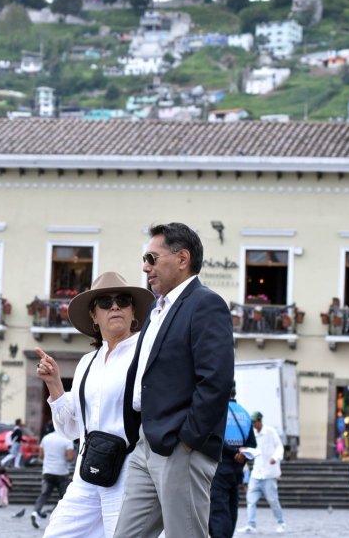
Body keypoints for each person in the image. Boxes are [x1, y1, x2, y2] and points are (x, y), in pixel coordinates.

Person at [117, 222, 235, 537]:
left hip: (181, 448)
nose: (145, 267)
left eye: (152, 258)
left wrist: (188, 440)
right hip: (147, 442)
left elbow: (216, 381)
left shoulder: (205, 304)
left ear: (182, 259)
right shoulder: (157, 311)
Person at [35, 271, 153, 537]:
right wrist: (54, 383)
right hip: (87, 474)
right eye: (105, 302)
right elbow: (71, 429)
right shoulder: (87, 362)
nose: (114, 306)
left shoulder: (146, 353)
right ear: (94, 315)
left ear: (133, 311)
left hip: (129, 476)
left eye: (123, 300)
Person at [210, 384, 255, 538]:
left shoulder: (218, 412)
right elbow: (252, 444)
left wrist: (233, 452)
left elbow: (215, 438)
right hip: (237, 468)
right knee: (231, 506)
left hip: (219, 466)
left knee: (218, 508)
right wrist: (241, 454)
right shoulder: (245, 413)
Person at [239, 411, 285, 534]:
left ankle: (281, 523)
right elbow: (254, 450)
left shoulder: (271, 432)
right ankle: (250, 524)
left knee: (273, 500)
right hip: (256, 473)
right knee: (250, 500)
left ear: (260, 421)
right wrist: (245, 450)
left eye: (254, 422)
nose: (253, 424)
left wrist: (275, 458)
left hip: (269, 474)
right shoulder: (252, 433)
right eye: (252, 422)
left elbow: (279, 447)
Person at [33, 423, 73, 522]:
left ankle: (35, 511)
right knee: (65, 496)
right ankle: (63, 517)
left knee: (44, 494)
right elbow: (70, 457)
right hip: (62, 472)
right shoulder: (67, 440)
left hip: (47, 472)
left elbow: (41, 456)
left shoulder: (46, 438)